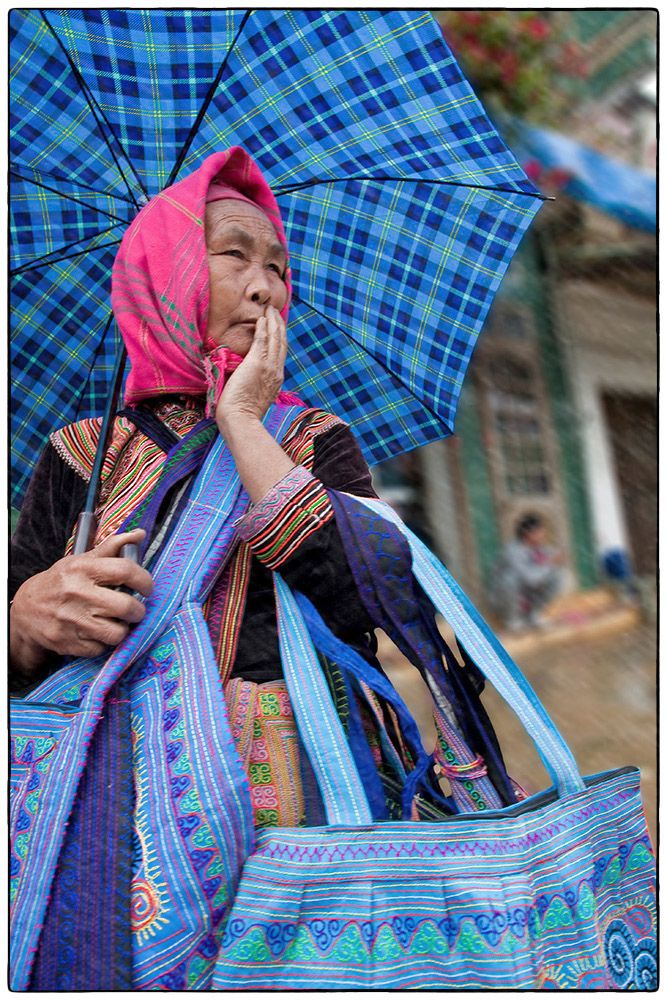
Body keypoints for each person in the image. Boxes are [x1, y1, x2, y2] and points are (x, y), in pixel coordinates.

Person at [10, 148, 516, 989]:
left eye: (278, 265)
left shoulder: (314, 440)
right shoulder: (79, 455)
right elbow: (17, 660)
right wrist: (23, 619)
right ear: (163, 274)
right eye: (233, 254)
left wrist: (244, 423)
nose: (266, 285)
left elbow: (376, 600)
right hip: (112, 812)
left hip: (308, 793)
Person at [488, 513, 565, 631]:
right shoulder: (513, 550)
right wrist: (550, 563)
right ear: (528, 534)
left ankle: (533, 615)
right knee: (510, 578)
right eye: (539, 532)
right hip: (503, 601)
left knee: (556, 576)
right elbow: (531, 579)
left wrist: (555, 560)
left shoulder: (539, 548)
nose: (543, 535)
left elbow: (552, 560)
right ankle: (512, 620)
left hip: (526, 597)